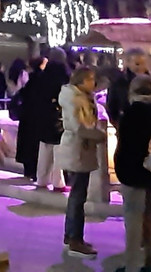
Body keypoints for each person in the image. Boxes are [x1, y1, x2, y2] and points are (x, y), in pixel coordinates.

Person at [115, 74, 151, 272]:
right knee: (150, 218)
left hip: (133, 173)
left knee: (133, 220)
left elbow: (126, 145)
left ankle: (131, 265)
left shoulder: (130, 114)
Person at [56, 65, 107, 259]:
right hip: (77, 149)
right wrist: (98, 135)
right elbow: (77, 126)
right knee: (78, 197)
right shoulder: (74, 99)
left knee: (77, 196)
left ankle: (72, 236)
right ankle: (75, 239)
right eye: (90, 79)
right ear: (81, 81)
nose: (93, 82)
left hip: (81, 149)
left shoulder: (82, 97)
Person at [35, 47, 71, 191]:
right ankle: (58, 182)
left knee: (44, 147)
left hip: (44, 115)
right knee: (58, 149)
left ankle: (41, 180)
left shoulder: (43, 74)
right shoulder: (64, 74)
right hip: (58, 115)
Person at [15, 56, 45, 180]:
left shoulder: (31, 79)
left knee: (28, 145)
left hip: (27, 117)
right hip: (37, 118)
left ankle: (29, 171)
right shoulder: (41, 79)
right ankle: (34, 171)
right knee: (34, 146)